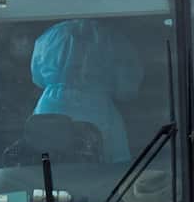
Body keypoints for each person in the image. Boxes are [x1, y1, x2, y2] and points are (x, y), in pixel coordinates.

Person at [31, 19, 144, 164]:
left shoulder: (52, 36)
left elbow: (38, 76)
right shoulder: (107, 36)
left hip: (50, 104)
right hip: (98, 107)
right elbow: (127, 86)